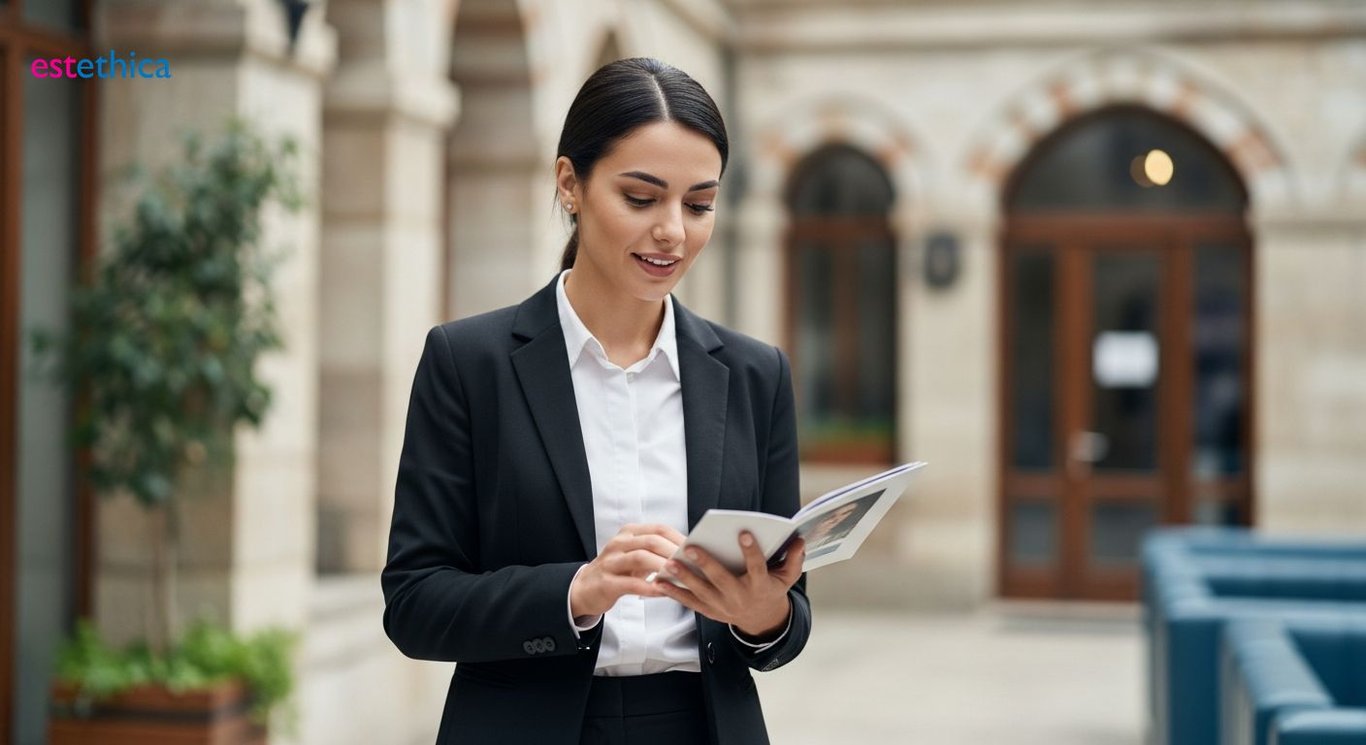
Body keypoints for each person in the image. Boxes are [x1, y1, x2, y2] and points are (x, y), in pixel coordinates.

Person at [381, 57, 811, 745]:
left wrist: (765, 613)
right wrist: (576, 592)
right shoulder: (469, 363)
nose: (674, 230)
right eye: (642, 198)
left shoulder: (756, 375)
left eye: (699, 204)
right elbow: (414, 602)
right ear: (569, 184)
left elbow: (784, 629)